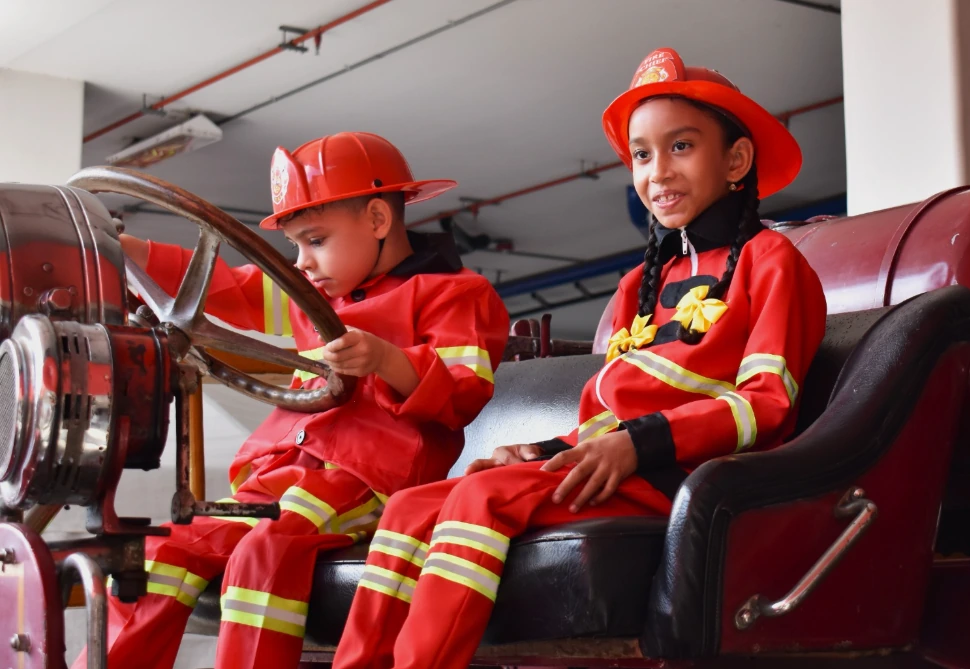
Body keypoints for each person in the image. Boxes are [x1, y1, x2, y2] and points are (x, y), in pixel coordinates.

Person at [331, 48, 827, 669]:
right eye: (642, 155)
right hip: (616, 466)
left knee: (477, 501)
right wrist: (538, 452)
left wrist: (637, 445)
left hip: (681, 477)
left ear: (736, 160)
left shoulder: (771, 262)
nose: (658, 172)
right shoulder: (634, 287)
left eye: (681, 147)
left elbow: (767, 406)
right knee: (409, 506)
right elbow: (603, 421)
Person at [75, 132, 510, 669]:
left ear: (378, 220)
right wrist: (125, 250)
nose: (301, 263)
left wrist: (385, 360)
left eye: (316, 240)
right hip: (281, 470)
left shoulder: (456, 295)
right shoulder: (315, 297)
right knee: (164, 554)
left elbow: (462, 393)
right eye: (295, 246)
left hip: (370, 477)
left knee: (267, 549)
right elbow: (225, 289)